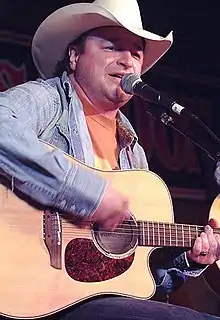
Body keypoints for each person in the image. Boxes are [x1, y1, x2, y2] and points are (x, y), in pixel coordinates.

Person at [0, 0, 220, 319]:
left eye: (136, 52)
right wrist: (91, 196)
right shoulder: (48, 100)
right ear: (74, 56)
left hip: (84, 300)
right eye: (111, 47)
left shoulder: (132, 150)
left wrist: (190, 260)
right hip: (27, 287)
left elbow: (135, 281)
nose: (126, 61)